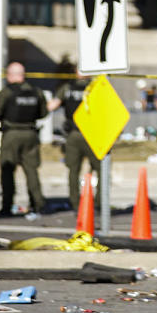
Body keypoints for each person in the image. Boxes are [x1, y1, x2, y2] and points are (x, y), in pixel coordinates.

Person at [0, 62, 48, 216]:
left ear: (11, 75)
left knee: (7, 171)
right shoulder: (36, 91)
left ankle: (7, 206)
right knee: (32, 170)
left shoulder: (6, 92)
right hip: (31, 134)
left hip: (11, 134)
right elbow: (43, 113)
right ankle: (37, 204)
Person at [48, 74, 99, 211]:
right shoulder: (96, 86)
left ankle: (76, 203)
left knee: (73, 170)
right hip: (93, 134)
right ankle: (99, 204)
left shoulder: (67, 87)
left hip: (74, 134)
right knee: (100, 169)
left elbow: (52, 106)